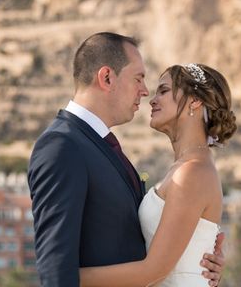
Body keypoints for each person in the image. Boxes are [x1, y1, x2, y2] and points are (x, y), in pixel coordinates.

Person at [28, 33, 225, 287]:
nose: (146, 93)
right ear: (107, 78)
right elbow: (55, 267)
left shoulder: (103, 148)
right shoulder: (62, 146)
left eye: (160, 89)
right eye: (139, 78)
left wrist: (197, 260)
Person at [79, 62, 237, 286]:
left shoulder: (192, 173)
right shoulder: (185, 168)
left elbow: (153, 271)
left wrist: (67, 276)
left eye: (163, 91)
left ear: (195, 100)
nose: (152, 100)